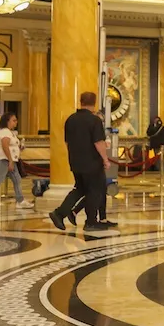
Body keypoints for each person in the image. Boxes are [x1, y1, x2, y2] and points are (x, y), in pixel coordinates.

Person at [49, 93, 111, 231]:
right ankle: (90, 222)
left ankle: (59, 213)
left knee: (80, 189)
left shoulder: (70, 119)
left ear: (80, 101)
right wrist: (105, 159)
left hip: (75, 161)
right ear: (94, 103)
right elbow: (98, 142)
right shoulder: (94, 120)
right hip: (92, 162)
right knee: (95, 191)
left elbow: (66, 142)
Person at [0, 112, 33, 211]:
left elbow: (12, 146)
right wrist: (10, 160)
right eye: (14, 120)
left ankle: (20, 201)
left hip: (10, 160)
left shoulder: (10, 132)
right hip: (3, 160)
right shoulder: (4, 132)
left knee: (17, 179)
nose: (16, 123)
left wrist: (20, 148)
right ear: (7, 121)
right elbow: (5, 146)